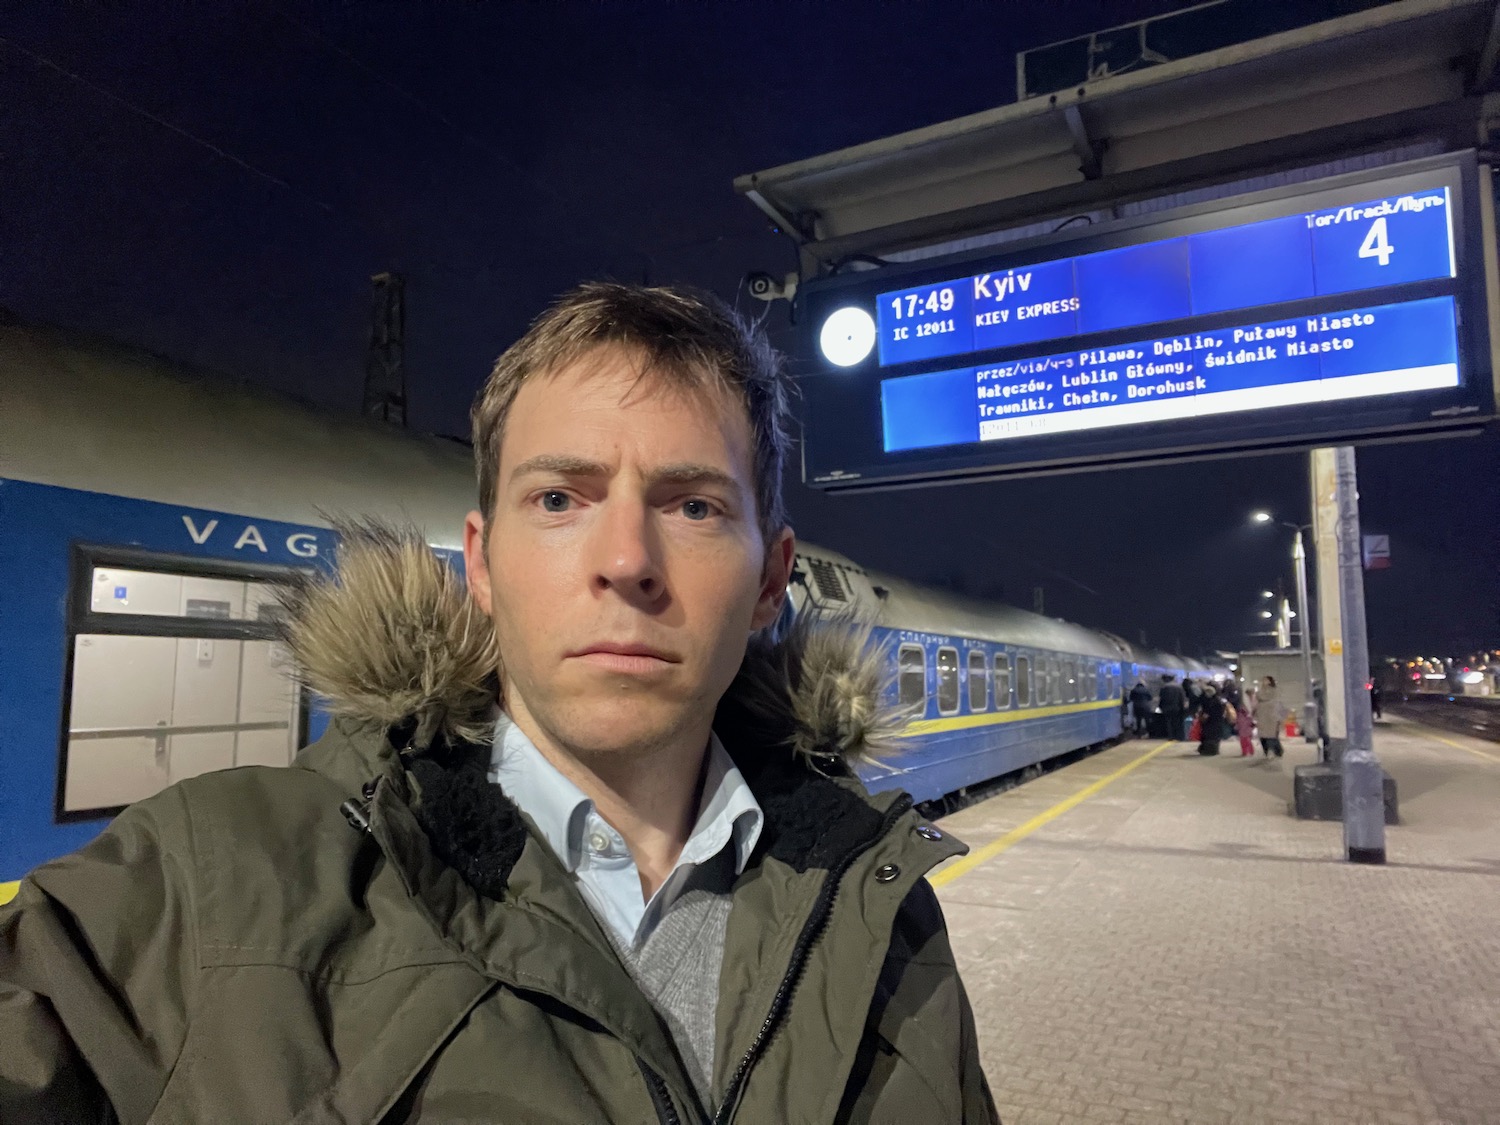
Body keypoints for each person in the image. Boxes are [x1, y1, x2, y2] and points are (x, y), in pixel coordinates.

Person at [0, 284, 999, 1123]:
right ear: (482, 563)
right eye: (560, 499)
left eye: (692, 506)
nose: (624, 562)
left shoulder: (883, 910)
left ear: (771, 580)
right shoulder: (207, 892)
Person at [1255, 674, 1284, 758]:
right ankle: (1271, 751)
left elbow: (1265, 697)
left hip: (1271, 716)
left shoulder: (1273, 691)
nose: (1264, 682)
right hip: (1262, 716)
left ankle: (1272, 751)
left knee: (1271, 735)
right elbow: (1259, 696)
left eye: (1266, 680)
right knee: (1264, 735)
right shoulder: (1260, 691)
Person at [1196, 683, 1226, 756]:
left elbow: (1213, 710)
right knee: (1213, 736)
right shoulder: (1217, 700)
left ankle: (1210, 750)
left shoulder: (1213, 701)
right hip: (1214, 722)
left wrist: (1206, 715)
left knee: (1210, 736)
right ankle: (1211, 750)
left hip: (1212, 721)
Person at [1159, 673, 1188, 741]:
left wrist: (1160, 707)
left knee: (1169, 722)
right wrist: (1182, 707)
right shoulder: (1179, 687)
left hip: (1167, 708)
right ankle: (1178, 736)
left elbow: (1162, 698)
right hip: (1177, 707)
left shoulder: (1164, 687)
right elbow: (1182, 698)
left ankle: (1170, 736)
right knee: (1177, 722)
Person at [1234, 687, 1256, 756]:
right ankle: (1248, 751)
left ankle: (1247, 751)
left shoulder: (1242, 713)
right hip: (1245, 728)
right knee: (1245, 740)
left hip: (1245, 728)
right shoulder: (1244, 713)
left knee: (1245, 740)